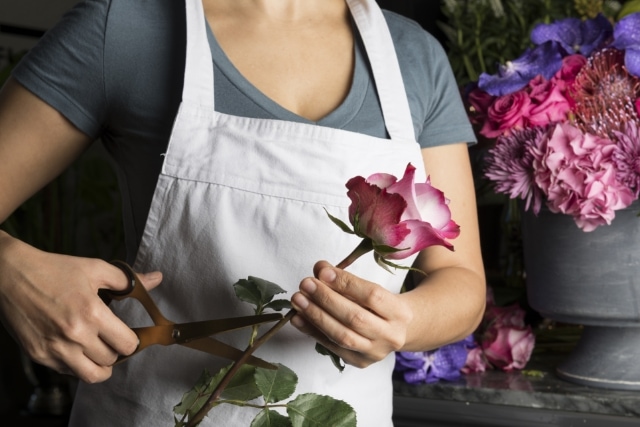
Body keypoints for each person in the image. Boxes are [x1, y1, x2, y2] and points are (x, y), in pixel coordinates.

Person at [0, 0, 486, 425]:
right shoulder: (125, 26)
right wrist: (11, 272)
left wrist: (403, 320)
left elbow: (461, 280)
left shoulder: (414, 57)